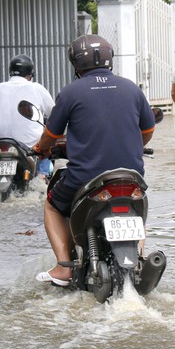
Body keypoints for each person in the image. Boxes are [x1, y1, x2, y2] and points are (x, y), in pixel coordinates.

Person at [31, 34, 157, 286]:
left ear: (75, 63)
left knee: (52, 205)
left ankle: (63, 267)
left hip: (85, 179)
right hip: (131, 176)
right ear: (110, 59)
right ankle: (139, 257)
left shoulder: (70, 92)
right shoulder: (131, 88)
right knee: (135, 207)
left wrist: (40, 148)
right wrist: (134, 146)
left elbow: (51, 135)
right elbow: (147, 131)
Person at [0, 54, 55, 177]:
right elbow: (54, 114)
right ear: (30, 74)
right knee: (47, 143)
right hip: (28, 144)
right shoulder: (36, 88)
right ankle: (42, 177)